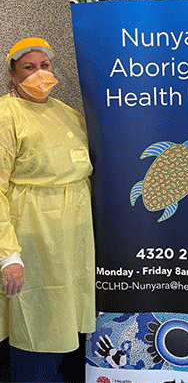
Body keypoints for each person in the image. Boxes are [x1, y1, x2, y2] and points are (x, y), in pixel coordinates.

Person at [0, 38, 95, 382]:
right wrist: (7, 255)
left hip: (74, 235)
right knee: (37, 322)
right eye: (29, 67)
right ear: (13, 75)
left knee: (68, 318)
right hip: (33, 235)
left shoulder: (67, 115)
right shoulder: (6, 115)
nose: (40, 73)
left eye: (46, 65)